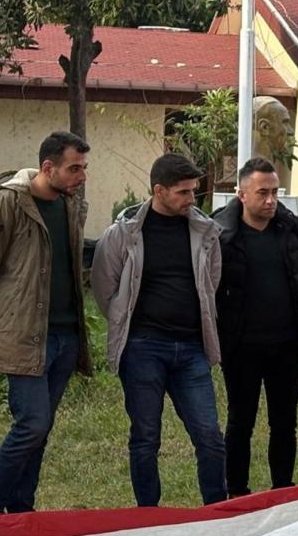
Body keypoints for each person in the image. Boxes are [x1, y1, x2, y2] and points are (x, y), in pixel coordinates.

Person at [91, 153, 226, 507]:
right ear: (159, 191)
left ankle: (217, 509)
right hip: (143, 348)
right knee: (146, 437)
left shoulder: (204, 231)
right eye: (183, 192)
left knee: (209, 435)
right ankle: (148, 514)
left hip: (192, 349)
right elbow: (105, 288)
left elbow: (210, 282)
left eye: (194, 192)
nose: (191, 200)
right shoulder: (124, 233)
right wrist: (127, 324)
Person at [0, 132, 92, 513]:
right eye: (74, 168)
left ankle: (22, 509)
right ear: (48, 168)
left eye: (84, 167)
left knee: (40, 433)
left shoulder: (71, 205)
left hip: (65, 336)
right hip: (24, 335)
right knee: (31, 423)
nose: (81, 176)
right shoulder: (6, 204)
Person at [212, 157, 298, 496]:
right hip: (241, 346)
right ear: (241, 194)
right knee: (241, 422)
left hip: (286, 345)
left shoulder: (292, 228)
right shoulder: (221, 234)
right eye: (262, 193)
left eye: (275, 192)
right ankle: (237, 491)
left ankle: (283, 488)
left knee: (285, 423)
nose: (270, 201)